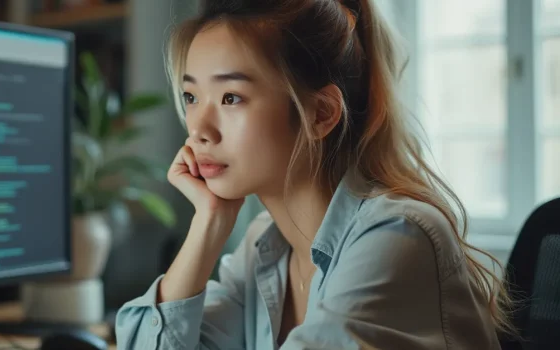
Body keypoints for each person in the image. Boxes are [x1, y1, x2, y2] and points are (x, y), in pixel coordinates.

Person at [115, 0, 511, 349]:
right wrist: (208, 224)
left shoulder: (397, 237)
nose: (199, 128)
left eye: (230, 97)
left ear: (320, 114)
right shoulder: (263, 248)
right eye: (191, 97)